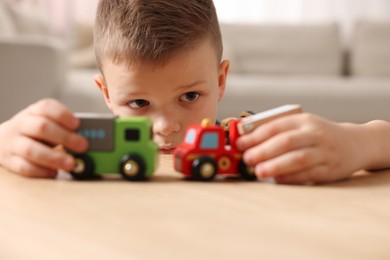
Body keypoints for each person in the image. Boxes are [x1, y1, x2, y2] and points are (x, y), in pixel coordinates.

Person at [0, 0, 390, 184]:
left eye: (189, 96)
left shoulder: (251, 140)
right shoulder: (83, 148)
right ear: (105, 92)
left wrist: (361, 142)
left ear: (220, 81)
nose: (167, 127)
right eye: (138, 102)